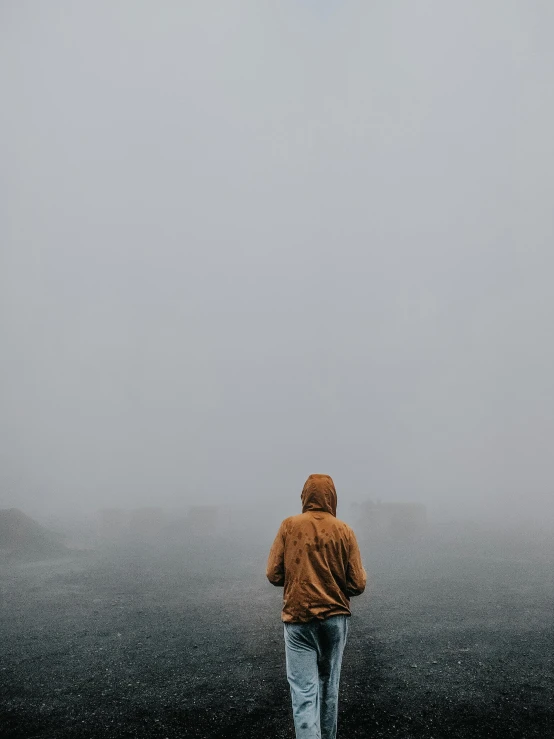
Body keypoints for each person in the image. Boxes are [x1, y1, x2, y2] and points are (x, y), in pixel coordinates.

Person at [266, 473, 366, 739]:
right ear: (332, 497)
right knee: (328, 689)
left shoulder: (289, 526)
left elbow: (273, 575)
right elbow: (357, 584)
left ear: (305, 496)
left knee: (304, 694)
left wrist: (299, 577)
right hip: (335, 620)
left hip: (298, 619)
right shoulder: (344, 530)